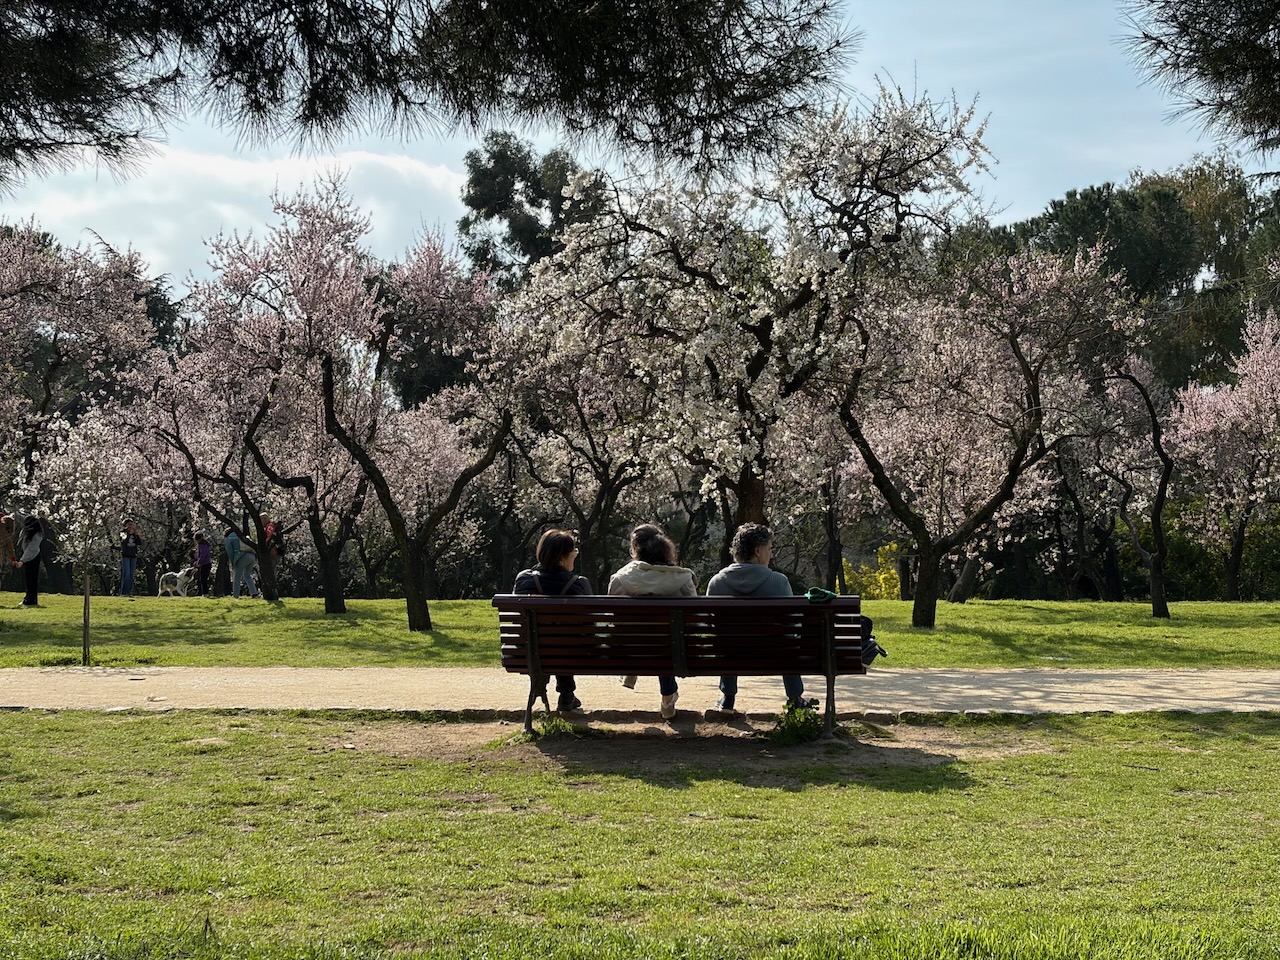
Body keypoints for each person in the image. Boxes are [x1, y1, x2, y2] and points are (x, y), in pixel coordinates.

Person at [706, 522, 815, 715]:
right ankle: (795, 698)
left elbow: (711, 627)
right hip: (774, 656)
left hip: (730, 656)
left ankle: (728, 697)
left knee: (727, 641)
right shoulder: (779, 582)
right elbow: (793, 626)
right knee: (788, 643)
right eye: (769, 549)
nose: (771, 555)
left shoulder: (716, 583)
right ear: (758, 551)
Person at [608, 523, 697, 719]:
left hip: (630, 650)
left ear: (634, 550)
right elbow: (693, 622)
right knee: (668, 640)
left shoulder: (620, 579)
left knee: (646, 638)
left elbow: (614, 620)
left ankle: (642, 677)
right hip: (674, 651)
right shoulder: (683, 578)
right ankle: (667, 695)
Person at [512, 528, 591, 714]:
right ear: (563, 557)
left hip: (528, 651)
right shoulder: (579, 584)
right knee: (563, 640)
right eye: (574, 552)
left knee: (544, 640)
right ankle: (566, 694)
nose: (575, 556)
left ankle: (545, 689)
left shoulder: (523, 580)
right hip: (573, 652)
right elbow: (589, 628)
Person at [15, 513, 47, 607]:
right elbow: (20, 518)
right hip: (28, 556)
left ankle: (30, 600)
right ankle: (30, 599)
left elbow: (30, 550)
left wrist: (22, 560)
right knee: (29, 579)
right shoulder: (29, 531)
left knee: (32, 580)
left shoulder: (37, 536)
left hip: (33, 557)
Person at [223, 527, 259, 599]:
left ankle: (236, 595)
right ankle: (254, 593)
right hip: (252, 555)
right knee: (247, 575)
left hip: (242, 557)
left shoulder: (229, 539)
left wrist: (233, 562)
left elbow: (230, 553)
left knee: (237, 577)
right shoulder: (241, 536)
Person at [119, 518, 143, 600]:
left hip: (133, 556)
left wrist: (136, 534)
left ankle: (129, 592)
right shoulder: (123, 533)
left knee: (131, 574)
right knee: (127, 574)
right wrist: (129, 533)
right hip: (125, 556)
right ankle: (124, 592)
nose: (131, 526)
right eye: (129, 524)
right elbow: (123, 541)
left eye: (132, 524)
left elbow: (139, 543)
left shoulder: (134, 535)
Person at [193, 531, 213, 597]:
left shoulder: (202, 545)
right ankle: (204, 593)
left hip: (205, 564)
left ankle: (205, 593)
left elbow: (203, 555)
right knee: (204, 579)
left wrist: (198, 562)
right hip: (207, 563)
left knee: (203, 579)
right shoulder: (206, 544)